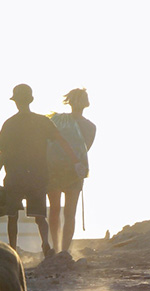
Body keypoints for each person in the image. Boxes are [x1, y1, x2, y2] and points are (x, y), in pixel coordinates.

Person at [0, 84, 85, 256]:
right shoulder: (42, 121)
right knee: (40, 216)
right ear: (31, 100)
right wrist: (76, 162)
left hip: (14, 177)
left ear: (15, 102)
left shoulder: (9, 124)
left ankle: (13, 250)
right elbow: (62, 141)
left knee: (12, 217)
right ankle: (45, 245)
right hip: (37, 176)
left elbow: (2, 155)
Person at [47, 88, 96, 255]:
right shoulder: (90, 127)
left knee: (54, 209)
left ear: (69, 102)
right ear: (86, 103)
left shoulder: (57, 120)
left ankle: (56, 247)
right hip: (75, 171)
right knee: (70, 213)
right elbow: (84, 149)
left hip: (54, 170)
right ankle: (64, 250)